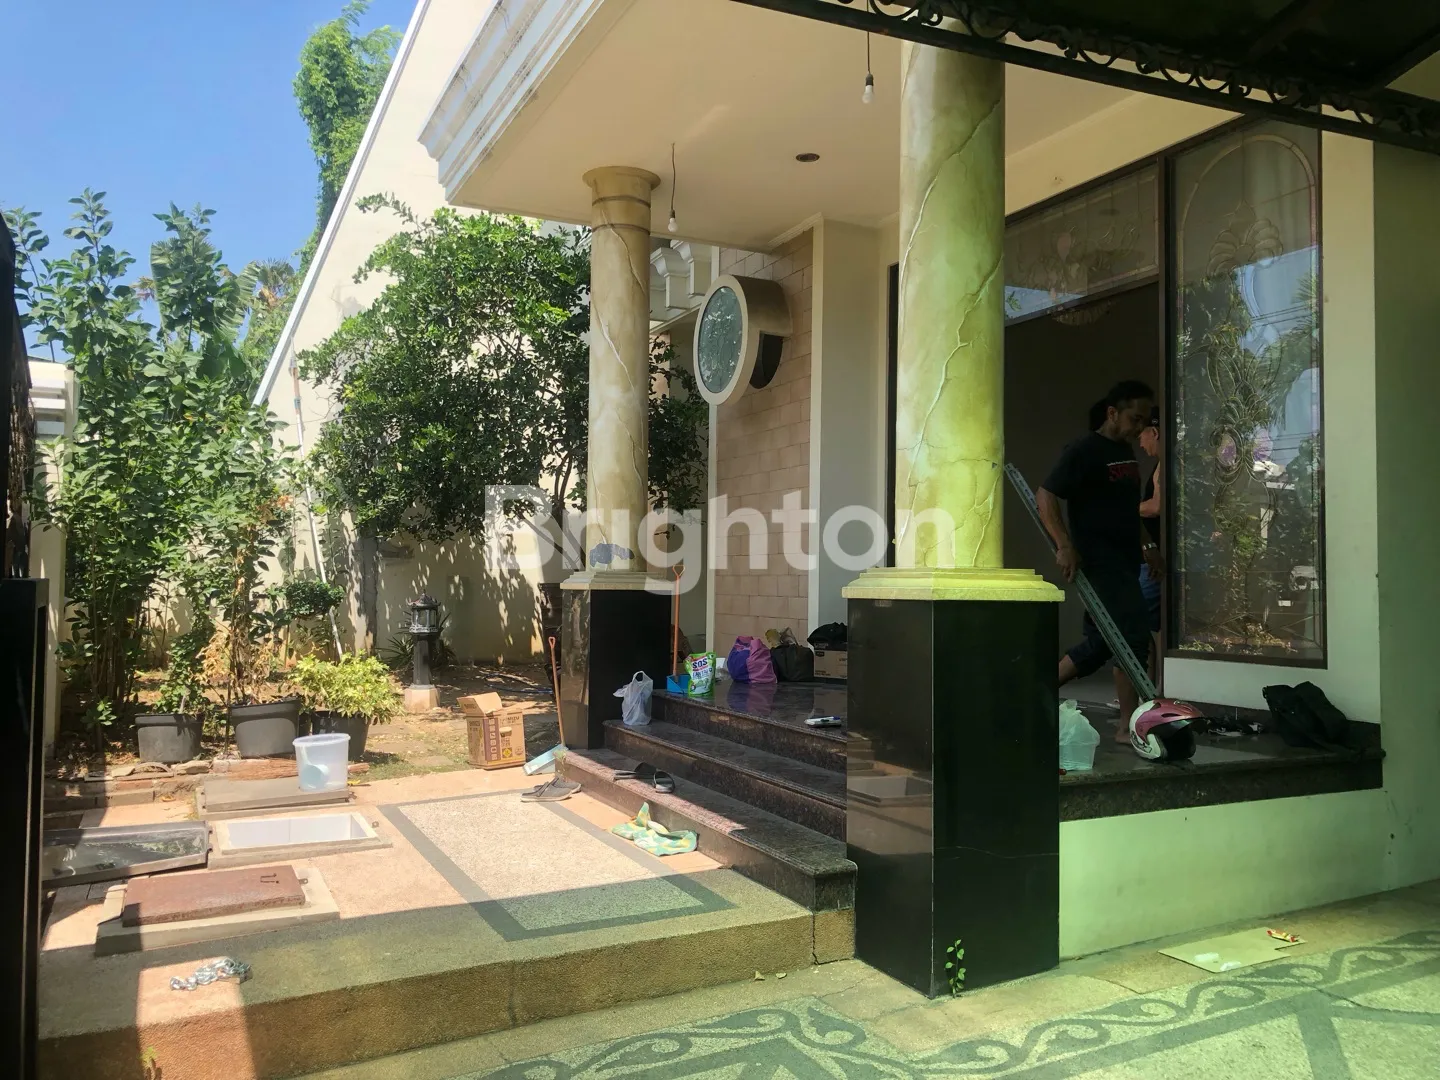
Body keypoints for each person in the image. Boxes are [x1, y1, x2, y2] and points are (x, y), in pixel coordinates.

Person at [1038, 380, 1162, 742]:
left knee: (1100, 643)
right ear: (1112, 413)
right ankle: (1127, 727)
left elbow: (1127, 509)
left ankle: (1031, 693)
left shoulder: (1125, 453)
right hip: (1099, 563)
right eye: (1135, 419)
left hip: (1126, 561)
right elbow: (1045, 495)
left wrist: (1147, 545)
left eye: (1145, 421)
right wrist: (1064, 545)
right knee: (1133, 638)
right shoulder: (1084, 450)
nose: (1140, 427)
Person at [1138, 407, 1163, 680]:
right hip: (1153, 560)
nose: (1141, 444)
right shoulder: (1163, 465)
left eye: (1141, 436)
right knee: (1152, 629)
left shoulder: (1163, 466)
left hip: (1155, 562)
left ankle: (1149, 688)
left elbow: (1157, 506)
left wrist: (1126, 509)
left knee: (1140, 624)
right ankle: (1151, 688)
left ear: (1154, 432)